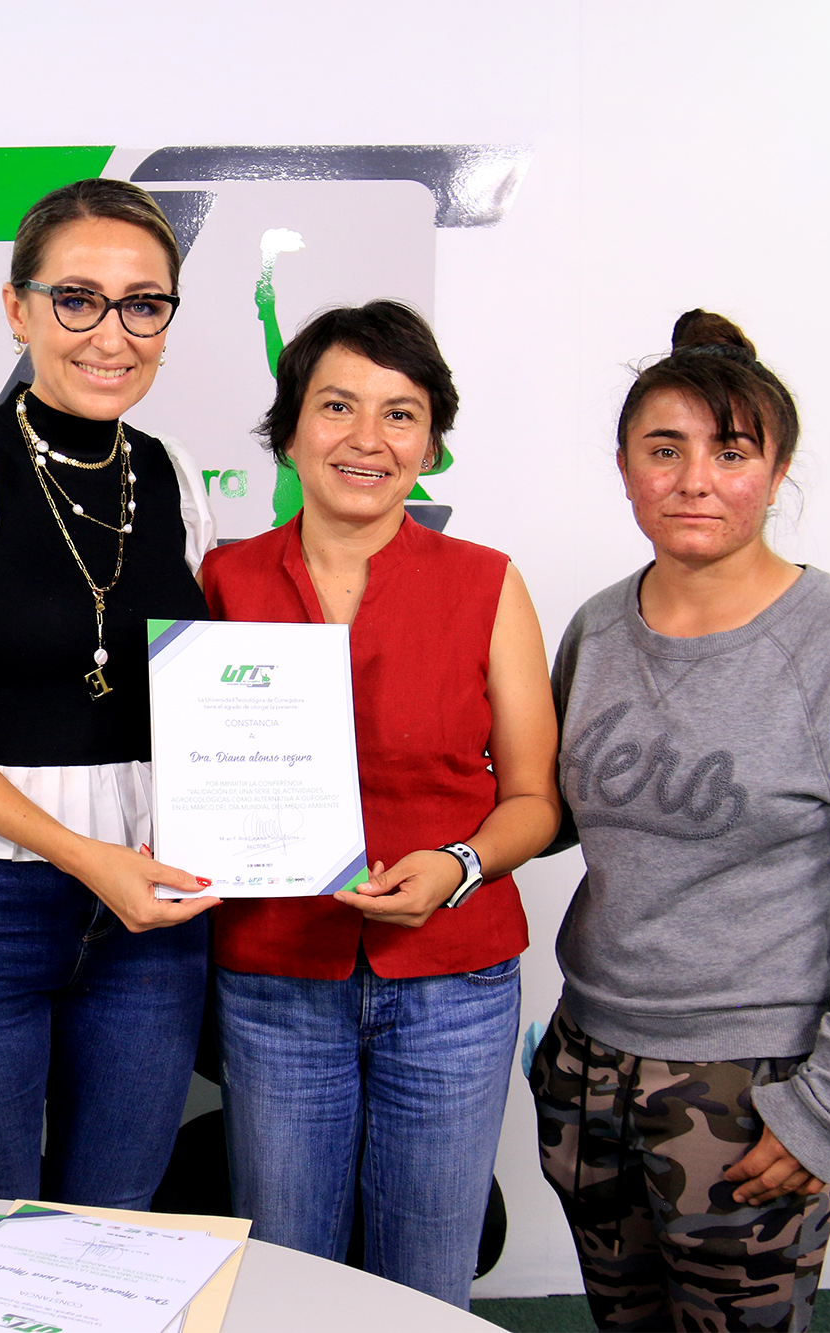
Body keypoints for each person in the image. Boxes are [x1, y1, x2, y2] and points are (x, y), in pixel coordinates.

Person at [533, 311, 830, 1332]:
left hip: (749, 1084)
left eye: (729, 453)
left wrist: (828, 1110)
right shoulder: (599, 626)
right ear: (624, 467)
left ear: (775, 471)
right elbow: (552, 810)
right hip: (586, 1061)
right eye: (663, 450)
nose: (694, 481)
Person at [0, 178, 220, 1209]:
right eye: (76, 299)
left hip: (151, 904)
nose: (112, 334)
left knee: (112, 1221)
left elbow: (189, 705)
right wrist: (85, 857)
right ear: (17, 309)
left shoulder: (175, 473)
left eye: (142, 304)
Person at [199, 301, 560, 1307]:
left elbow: (534, 798)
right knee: (287, 1279)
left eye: (400, 414)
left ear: (430, 444)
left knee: (425, 1285)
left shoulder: (486, 583)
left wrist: (459, 863)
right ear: (288, 430)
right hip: (275, 976)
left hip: (454, 983)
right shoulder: (222, 580)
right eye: (337, 406)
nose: (367, 439)